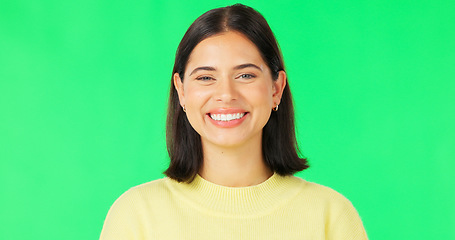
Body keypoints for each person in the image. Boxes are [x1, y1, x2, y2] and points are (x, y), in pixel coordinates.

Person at [100, 4, 368, 240]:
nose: (226, 94)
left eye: (245, 76)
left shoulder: (331, 215)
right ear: (181, 91)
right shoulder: (135, 215)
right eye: (205, 77)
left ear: (276, 88)